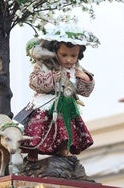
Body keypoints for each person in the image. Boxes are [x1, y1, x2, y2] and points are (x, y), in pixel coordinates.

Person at [19, 24, 100, 162]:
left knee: (66, 128)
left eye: (73, 56)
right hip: (46, 102)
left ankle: (64, 148)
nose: (68, 59)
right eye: (64, 55)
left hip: (67, 104)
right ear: (55, 52)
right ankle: (33, 153)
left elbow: (84, 91)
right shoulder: (45, 65)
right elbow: (33, 81)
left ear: (78, 55)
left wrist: (86, 79)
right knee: (38, 128)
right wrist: (50, 77)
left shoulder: (77, 70)